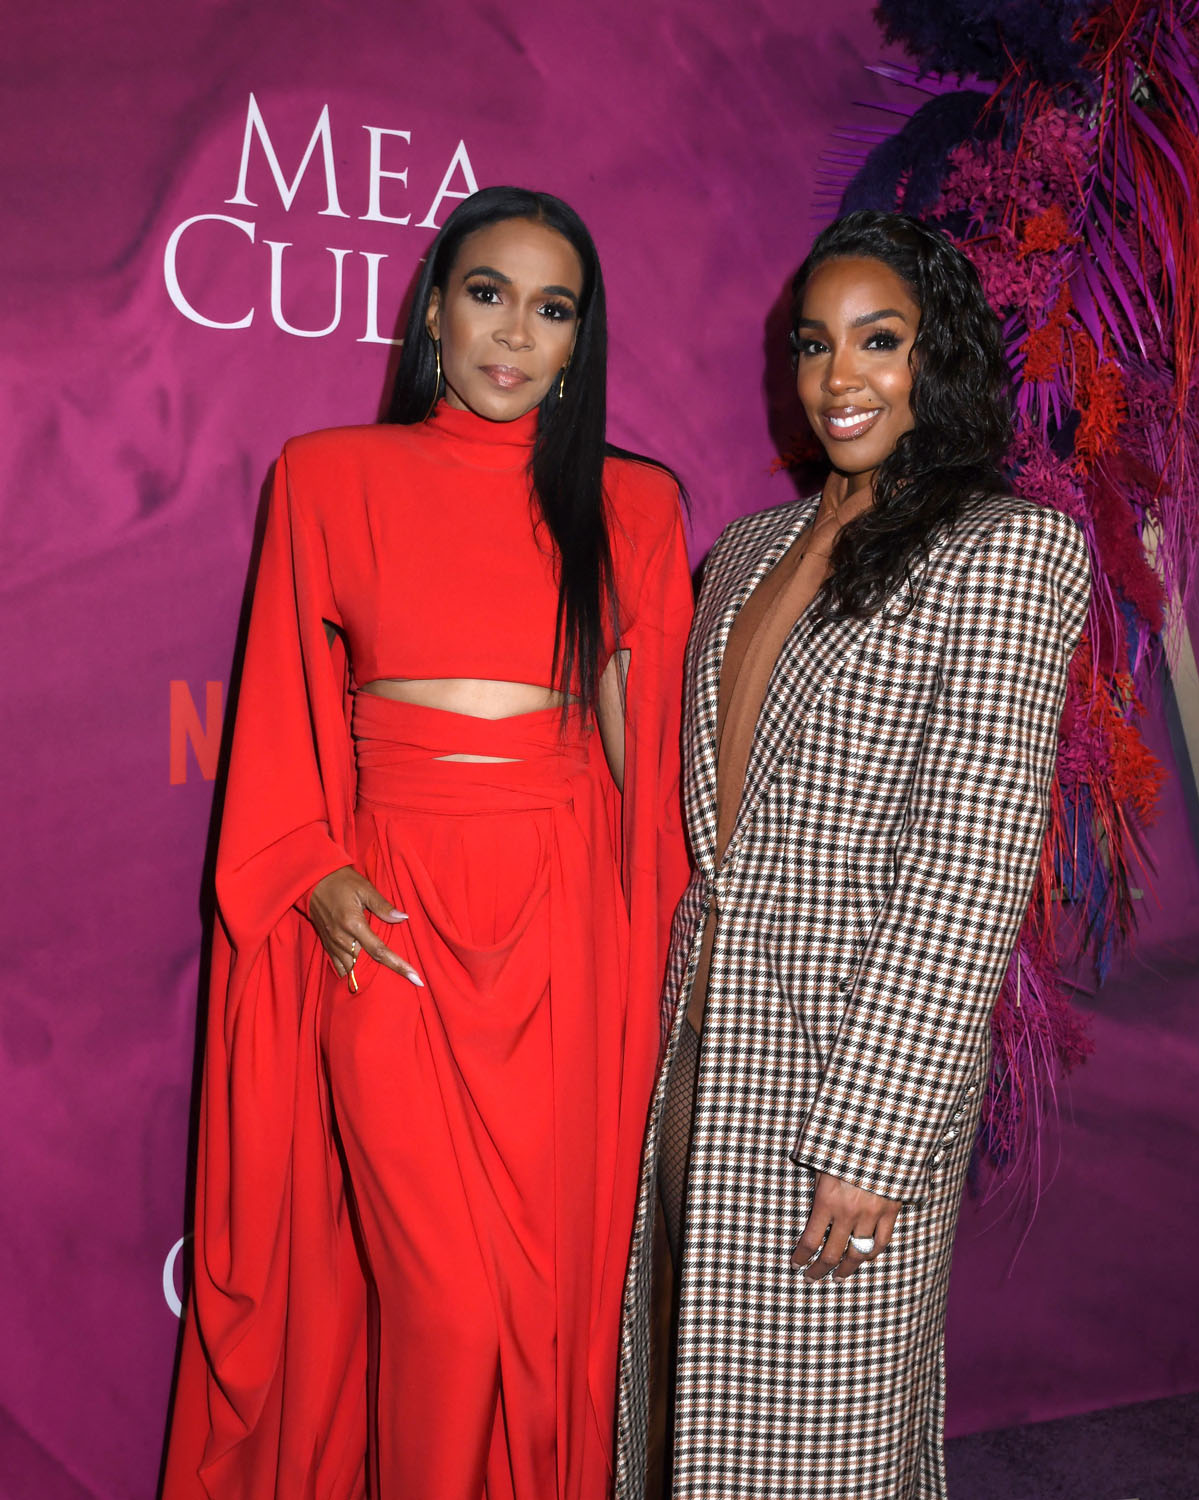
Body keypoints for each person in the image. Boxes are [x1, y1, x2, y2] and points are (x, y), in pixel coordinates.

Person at [161, 186, 692, 1500]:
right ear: (435, 312)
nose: (514, 333)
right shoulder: (325, 475)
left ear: (578, 341)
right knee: (447, 1309)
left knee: (541, 1310)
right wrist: (311, 870)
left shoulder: (631, 506)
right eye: (487, 294)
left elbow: (645, 767)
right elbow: (280, 710)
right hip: (388, 923)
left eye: (551, 309)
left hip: (560, 924)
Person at [615, 211, 1090, 1500]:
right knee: (674, 1428)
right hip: (698, 1047)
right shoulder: (746, 552)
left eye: (880, 340)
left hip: (847, 1075)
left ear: (940, 356)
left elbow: (968, 870)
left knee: (813, 1448)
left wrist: (874, 1138)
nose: (841, 377)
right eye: (816, 344)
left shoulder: (1005, 549)